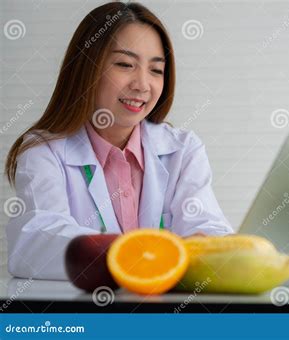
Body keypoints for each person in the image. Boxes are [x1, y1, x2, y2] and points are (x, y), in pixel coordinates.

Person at [4, 2, 233, 280]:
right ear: (86, 69)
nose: (142, 84)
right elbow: (37, 243)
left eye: (156, 70)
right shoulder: (44, 152)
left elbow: (209, 229)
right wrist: (141, 254)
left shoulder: (182, 150)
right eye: (125, 64)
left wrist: (209, 244)